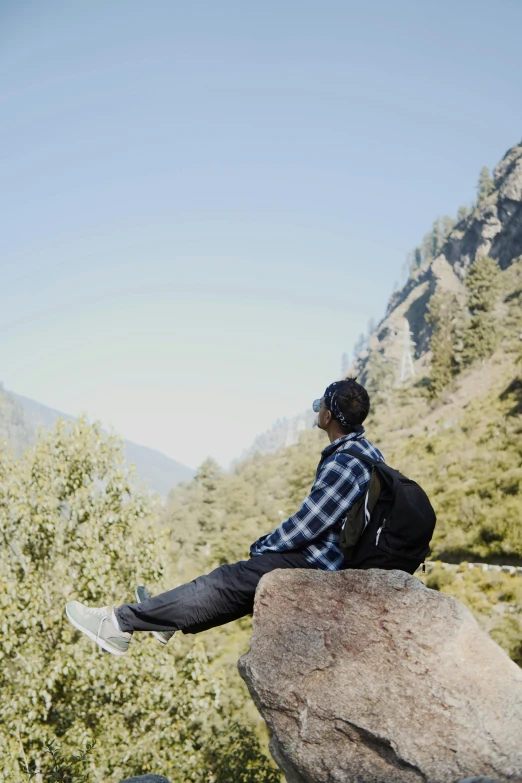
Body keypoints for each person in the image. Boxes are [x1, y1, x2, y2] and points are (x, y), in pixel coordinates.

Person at [65, 378, 386, 656]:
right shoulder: (369, 452)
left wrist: (263, 547)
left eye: (320, 407)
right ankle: (165, 619)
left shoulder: (346, 461)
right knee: (238, 589)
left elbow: (309, 522)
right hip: (338, 560)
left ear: (328, 416)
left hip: (321, 564)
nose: (317, 411)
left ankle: (118, 624)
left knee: (227, 581)